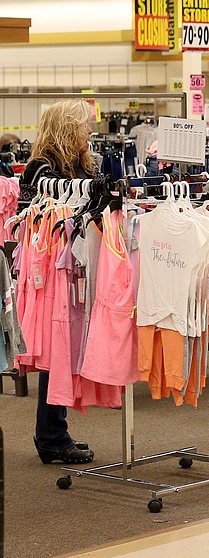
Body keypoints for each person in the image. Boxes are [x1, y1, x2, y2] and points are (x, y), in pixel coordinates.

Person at [18, 100, 97, 464]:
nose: (91, 132)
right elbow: (36, 218)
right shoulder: (41, 168)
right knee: (55, 348)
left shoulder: (77, 163)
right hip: (48, 269)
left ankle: (55, 431)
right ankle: (50, 436)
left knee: (62, 348)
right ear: (67, 127)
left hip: (70, 264)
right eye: (85, 126)